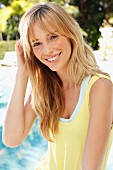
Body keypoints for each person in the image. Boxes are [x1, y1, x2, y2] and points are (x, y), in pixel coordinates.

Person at [2, 2, 113, 170]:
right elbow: (11, 139)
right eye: (36, 43)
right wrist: (23, 72)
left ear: (69, 34)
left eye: (53, 37)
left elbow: (91, 167)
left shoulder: (100, 88)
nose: (47, 50)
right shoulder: (44, 89)